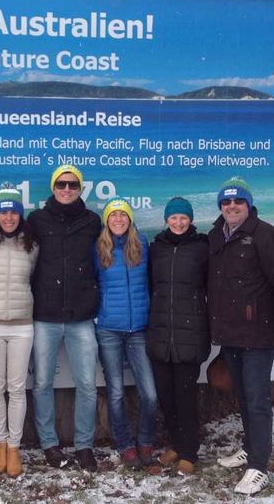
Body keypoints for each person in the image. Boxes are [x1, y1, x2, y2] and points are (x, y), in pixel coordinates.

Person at [207, 177, 274, 496]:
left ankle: (259, 466)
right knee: (243, 396)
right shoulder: (216, 236)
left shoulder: (265, 235)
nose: (232, 207)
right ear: (221, 206)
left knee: (257, 400)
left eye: (238, 202)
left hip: (259, 335)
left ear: (248, 205)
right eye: (226, 203)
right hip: (231, 335)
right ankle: (250, 448)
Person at [27, 164, 102, 471]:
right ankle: (49, 444)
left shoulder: (92, 221)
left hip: (81, 316)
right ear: (53, 187)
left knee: (87, 384)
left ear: (80, 188)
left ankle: (84, 446)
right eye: (61, 184)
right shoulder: (36, 220)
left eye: (73, 185)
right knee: (42, 382)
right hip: (44, 314)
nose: (67, 189)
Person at [146, 196, 210, 476]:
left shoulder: (202, 247)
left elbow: (211, 288)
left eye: (184, 217)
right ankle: (175, 444)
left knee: (185, 397)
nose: (179, 222)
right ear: (166, 220)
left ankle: (189, 452)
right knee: (166, 396)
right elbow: (150, 286)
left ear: (191, 220)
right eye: (174, 217)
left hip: (190, 334)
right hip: (161, 334)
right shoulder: (156, 248)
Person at [0, 183, 39, 478]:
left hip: (22, 325)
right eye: (3, 212)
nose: (9, 217)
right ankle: (0, 443)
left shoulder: (32, 244)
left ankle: (14, 447)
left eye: (14, 212)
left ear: (19, 215)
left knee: (16, 389)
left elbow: (36, 278)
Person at [94, 197, 157, 469]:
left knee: (150, 394)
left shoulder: (142, 244)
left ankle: (145, 441)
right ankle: (124, 445)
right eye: (113, 215)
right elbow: (89, 284)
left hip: (139, 330)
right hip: (109, 329)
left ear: (130, 219)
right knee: (116, 392)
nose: (118, 220)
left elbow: (154, 280)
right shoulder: (98, 248)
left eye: (123, 215)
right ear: (106, 220)